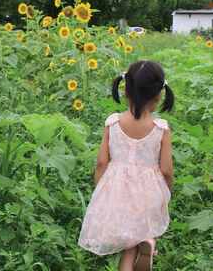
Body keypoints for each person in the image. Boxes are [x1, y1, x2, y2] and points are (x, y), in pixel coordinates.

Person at [77, 60, 175, 271]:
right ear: (159, 95)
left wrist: (101, 189)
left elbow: (102, 162)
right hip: (149, 192)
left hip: (117, 189)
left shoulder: (112, 123)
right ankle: (147, 244)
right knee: (139, 233)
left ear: (126, 91)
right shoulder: (161, 129)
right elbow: (167, 170)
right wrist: (167, 192)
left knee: (127, 246)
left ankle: (139, 250)